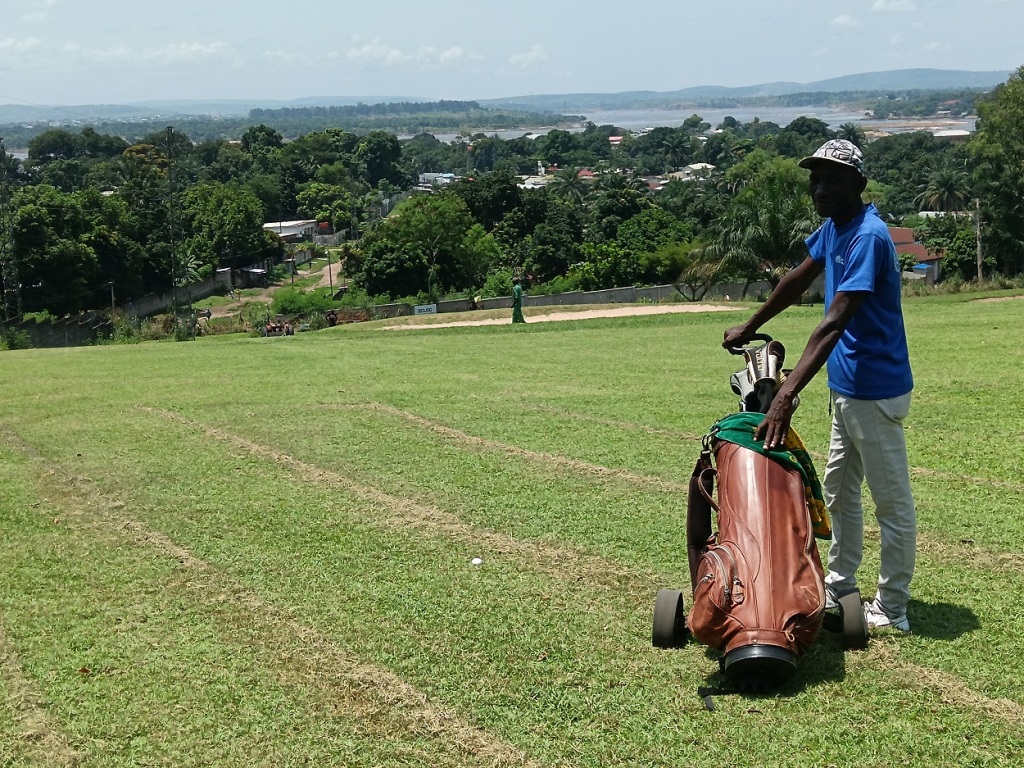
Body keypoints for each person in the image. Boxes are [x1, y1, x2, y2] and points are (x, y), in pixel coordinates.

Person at [722, 138, 915, 632]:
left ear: (859, 185)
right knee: (838, 492)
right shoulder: (836, 227)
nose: (821, 188)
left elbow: (833, 322)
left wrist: (786, 395)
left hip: (875, 389)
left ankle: (892, 608)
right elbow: (796, 277)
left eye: (833, 179)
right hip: (847, 388)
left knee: (890, 503)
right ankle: (841, 584)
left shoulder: (868, 237)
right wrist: (751, 323)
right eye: (816, 178)